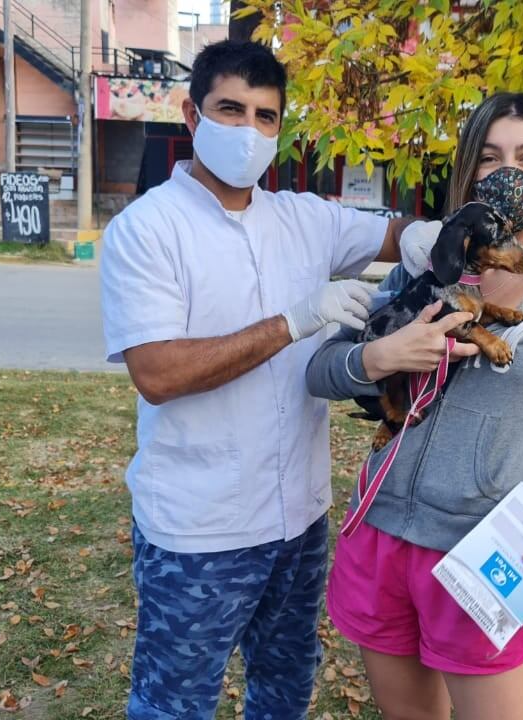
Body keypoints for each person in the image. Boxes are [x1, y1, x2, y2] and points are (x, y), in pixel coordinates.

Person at [99, 41, 437, 720]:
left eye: (265, 116)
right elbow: (158, 374)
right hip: (200, 526)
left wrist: (434, 235)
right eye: (231, 110)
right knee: (174, 703)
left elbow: (393, 234)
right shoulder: (148, 230)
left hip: (297, 518)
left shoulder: (303, 218)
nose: (248, 130)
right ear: (193, 117)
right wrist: (294, 320)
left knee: (284, 690)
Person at [305, 93, 523, 720]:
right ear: (466, 174)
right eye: (489, 158)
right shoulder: (426, 266)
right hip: (381, 535)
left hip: (486, 554)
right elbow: (322, 371)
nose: (509, 174)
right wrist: (378, 358)